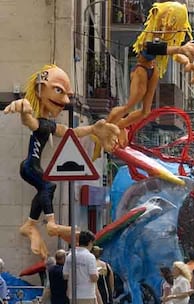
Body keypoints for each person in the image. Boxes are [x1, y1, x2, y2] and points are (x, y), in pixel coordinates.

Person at [4, 65, 119, 259]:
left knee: (46, 188)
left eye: (68, 95)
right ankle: (50, 224)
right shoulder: (39, 122)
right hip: (29, 166)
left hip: (35, 166)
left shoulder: (49, 124)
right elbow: (29, 122)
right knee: (48, 185)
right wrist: (23, 109)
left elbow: (71, 133)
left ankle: (31, 224)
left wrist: (92, 129)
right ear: (40, 89)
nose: (65, 100)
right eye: (59, 91)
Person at [107, 1, 194, 146]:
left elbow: (175, 55)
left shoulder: (167, 41)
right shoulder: (149, 37)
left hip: (153, 70)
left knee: (145, 111)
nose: (168, 27)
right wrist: (180, 50)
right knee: (129, 106)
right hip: (141, 69)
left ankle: (120, 125)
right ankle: (109, 125)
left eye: (173, 24)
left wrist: (192, 65)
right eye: (168, 21)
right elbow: (155, 49)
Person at [63, 230, 99, 304]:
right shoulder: (90, 257)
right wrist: (97, 273)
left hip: (73, 295)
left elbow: (65, 276)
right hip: (87, 295)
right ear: (90, 242)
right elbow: (93, 277)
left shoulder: (70, 256)